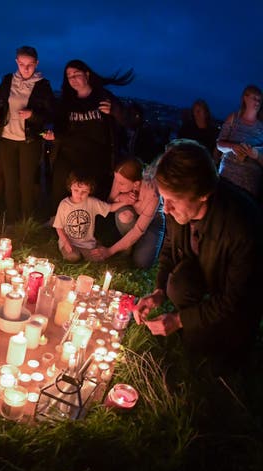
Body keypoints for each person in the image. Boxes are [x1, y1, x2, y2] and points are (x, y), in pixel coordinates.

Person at [133, 140, 263, 367]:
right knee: (179, 286)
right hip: (205, 277)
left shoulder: (242, 225)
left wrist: (179, 320)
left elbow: (235, 299)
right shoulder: (181, 211)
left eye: (172, 201)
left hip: (236, 303)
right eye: (164, 198)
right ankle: (195, 328)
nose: (166, 209)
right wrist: (159, 291)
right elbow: (169, 250)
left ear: (203, 194)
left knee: (216, 360)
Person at [47, 59, 133, 218]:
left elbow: (128, 121)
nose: (72, 79)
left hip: (96, 154)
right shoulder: (67, 101)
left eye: (76, 74)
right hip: (69, 152)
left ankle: (89, 223)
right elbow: (59, 127)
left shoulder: (103, 96)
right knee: (59, 184)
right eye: (69, 76)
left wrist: (114, 111)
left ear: (87, 74)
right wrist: (53, 134)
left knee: (91, 190)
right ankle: (57, 220)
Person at [0, 46, 56, 222]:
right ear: (16, 63)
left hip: (30, 140)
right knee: (10, 181)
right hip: (7, 139)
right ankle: (12, 218)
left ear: (37, 63)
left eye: (30, 65)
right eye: (21, 64)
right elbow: (0, 106)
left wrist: (32, 115)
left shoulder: (43, 85)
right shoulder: (7, 80)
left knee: (26, 182)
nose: (26, 69)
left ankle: (27, 220)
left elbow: (50, 114)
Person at [91, 157, 165, 268]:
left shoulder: (152, 193)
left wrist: (110, 251)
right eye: (116, 180)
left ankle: (134, 245)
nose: (118, 185)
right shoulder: (120, 176)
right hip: (131, 212)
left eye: (121, 184)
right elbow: (109, 202)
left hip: (153, 221)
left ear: (136, 184)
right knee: (125, 215)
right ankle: (127, 247)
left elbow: (138, 230)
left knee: (142, 262)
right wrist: (122, 197)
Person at [53, 171, 128, 263]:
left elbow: (110, 208)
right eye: (76, 190)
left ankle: (93, 247)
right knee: (73, 257)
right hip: (69, 242)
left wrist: (126, 202)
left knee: (99, 258)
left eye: (84, 192)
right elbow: (58, 227)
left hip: (87, 244)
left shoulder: (92, 203)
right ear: (70, 187)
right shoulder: (64, 204)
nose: (79, 195)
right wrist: (66, 242)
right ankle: (79, 252)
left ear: (90, 191)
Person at [216, 85, 263, 200]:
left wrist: (255, 154)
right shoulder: (233, 119)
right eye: (254, 98)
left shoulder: (261, 127)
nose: (257, 102)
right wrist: (233, 147)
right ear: (245, 98)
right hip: (226, 176)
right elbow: (219, 144)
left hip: (248, 183)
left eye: (259, 100)